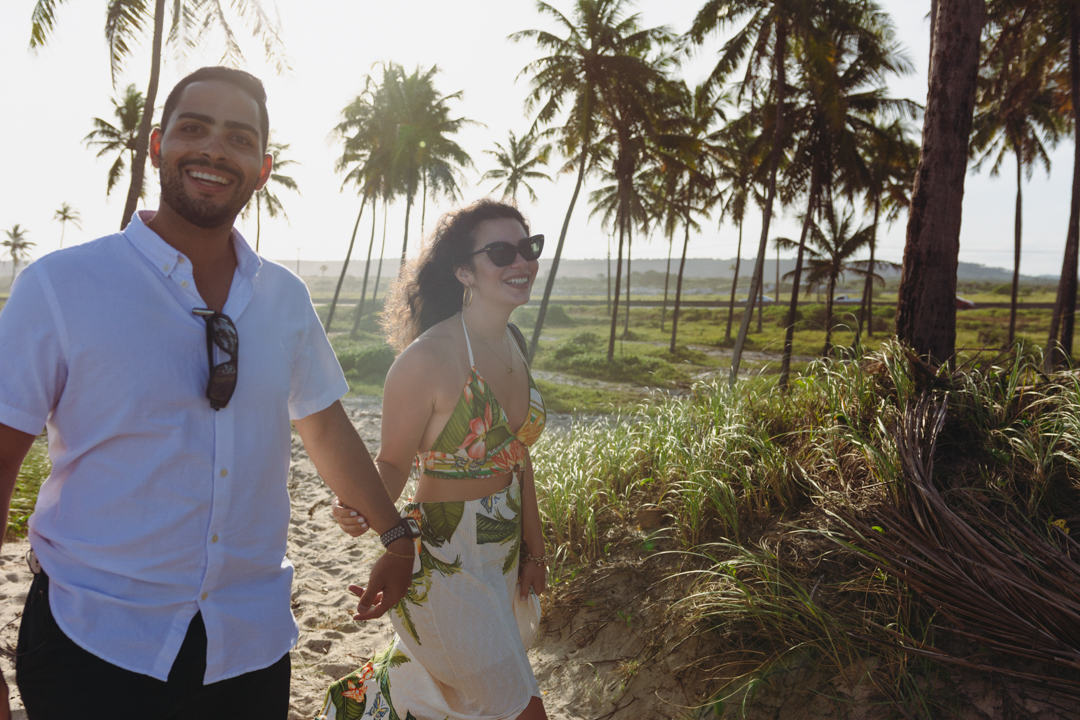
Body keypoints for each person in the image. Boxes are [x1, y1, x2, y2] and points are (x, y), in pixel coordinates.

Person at [0, 66, 416, 720]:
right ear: (157, 144)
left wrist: (395, 535)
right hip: (93, 640)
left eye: (239, 138)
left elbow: (325, 426)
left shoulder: (283, 298)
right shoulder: (61, 286)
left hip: (246, 648)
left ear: (264, 167)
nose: (216, 150)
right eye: (195, 129)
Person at [318, 199, 550, 720]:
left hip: (502, 555)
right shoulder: (424, 361)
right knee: (522, 707)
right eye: (501, 252)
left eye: (527, 248)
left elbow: (519, 456)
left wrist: (535, 549)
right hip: (445, 560)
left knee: (460, 696)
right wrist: (359, 503)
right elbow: (394, 464)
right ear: (464, 270)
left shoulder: (513, 340)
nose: (521, 262)